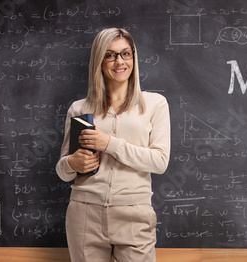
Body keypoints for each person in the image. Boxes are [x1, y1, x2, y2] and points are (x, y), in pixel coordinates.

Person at [56, 28, 170, 262]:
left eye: (126, 54)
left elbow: (159, 162)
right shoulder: (79, 109)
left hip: (134, 214)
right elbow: (63, 171)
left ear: (134, 57)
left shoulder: (155, 104)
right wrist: (71, 162)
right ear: (99, 60)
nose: (119, 61)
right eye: (110, 55)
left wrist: (109, 144)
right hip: (84, 214)